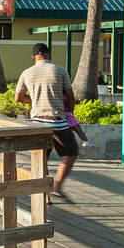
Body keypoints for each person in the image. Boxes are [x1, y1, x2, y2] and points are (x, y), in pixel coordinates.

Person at [15, 44, 78, 202]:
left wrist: (34, 101)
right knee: (72, 153)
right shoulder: (60, 70)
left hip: (37, 122)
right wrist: (70, 113)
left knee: (42, 159)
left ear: (33, 57)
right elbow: (70, 96)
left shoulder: (26, 73)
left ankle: (45, 195)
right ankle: (57, 187)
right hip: (57, 121)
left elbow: (18, 98)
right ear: (49, 54)